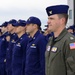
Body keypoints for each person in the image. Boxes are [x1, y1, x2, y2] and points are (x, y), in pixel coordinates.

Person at [45, 5, 75, 75]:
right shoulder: (51, 40)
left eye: (52, 19)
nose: (48, 22)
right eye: (48, 18)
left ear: (62, 20)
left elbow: (72, 70)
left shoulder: (70, 41)